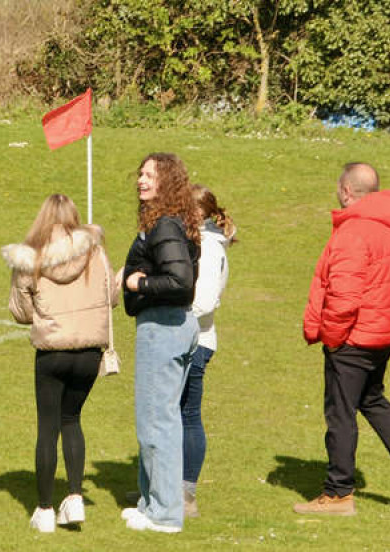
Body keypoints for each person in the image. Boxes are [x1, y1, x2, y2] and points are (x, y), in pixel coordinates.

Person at [295, 163, 390, 515]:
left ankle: (338, 494)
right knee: (372, 399)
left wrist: (331, 338)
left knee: (340, 413)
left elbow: (344, 297)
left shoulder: (353, 233)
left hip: (354, 338)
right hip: (385, 333)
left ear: (346, 190)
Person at [1, 194, 118, 532]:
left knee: (47, 428)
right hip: (89, 352)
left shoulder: (30, 259)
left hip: (52, 352)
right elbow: (110, 297)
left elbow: (21, 312)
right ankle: (75, 496)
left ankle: (45, 508)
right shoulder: (95, 250)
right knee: (72, 420)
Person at [120, 153, 200, 533]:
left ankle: (165, 514)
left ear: (167, 183)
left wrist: (139, 284)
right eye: (140, 173)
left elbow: (182, 280)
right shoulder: (170, 222)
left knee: (156, 422)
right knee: (159, 419)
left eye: (150, 175)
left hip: (165, 328)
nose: (141, 179)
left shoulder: (165, 225)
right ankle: (151, 502)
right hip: (172, 327)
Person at [180, 184, 236, 518]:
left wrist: (169, 311)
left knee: (187, 414)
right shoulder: (201, 241)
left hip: (196, 341)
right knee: (171, 413)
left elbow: (205, 301)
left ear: (199, 212)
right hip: (187, 336)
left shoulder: (210, 247)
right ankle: (163, 483)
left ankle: (187, 493)